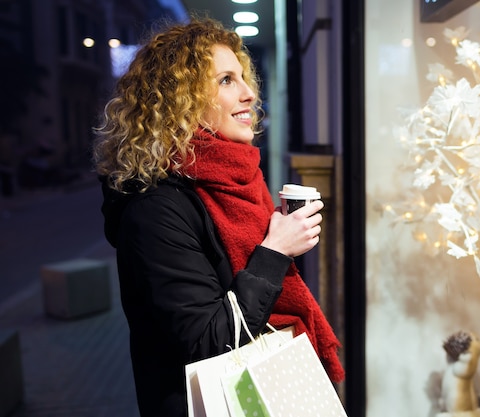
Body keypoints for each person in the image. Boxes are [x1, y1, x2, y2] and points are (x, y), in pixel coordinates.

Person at [92, 17, 344, 417]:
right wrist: (275, 252)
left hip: (265, 389)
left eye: (244, 78)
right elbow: (204, 340)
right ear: (179, 99)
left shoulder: (237, 180)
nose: (248, 93)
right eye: (226, 80)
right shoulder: (154, 208)